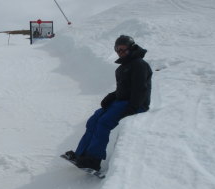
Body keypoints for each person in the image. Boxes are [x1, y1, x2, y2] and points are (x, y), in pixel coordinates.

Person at [64, 35, 152, 171]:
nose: (120, 52)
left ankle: (93, 159)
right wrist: (111, 96)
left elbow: (139, 89)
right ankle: (81, 154)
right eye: (118, 50)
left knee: (104, 122)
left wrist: (133, 107)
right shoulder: (122, 67)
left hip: (136, 103)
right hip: (122, 101)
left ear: (131, 47)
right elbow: (123, 90)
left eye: (123, 49)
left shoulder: (139, 64)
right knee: (93, 120)